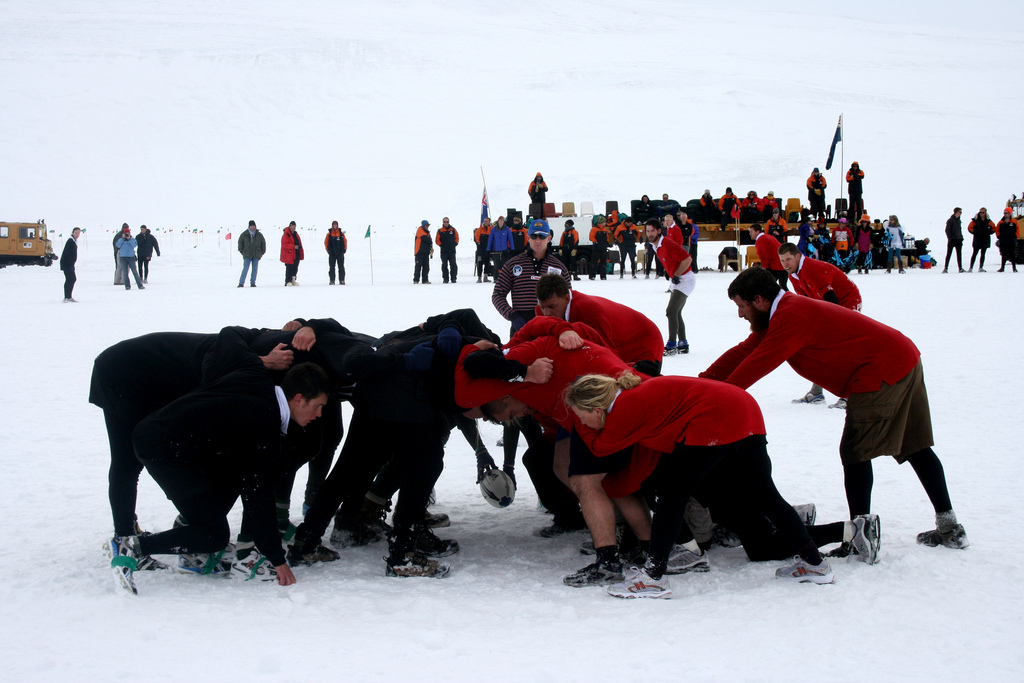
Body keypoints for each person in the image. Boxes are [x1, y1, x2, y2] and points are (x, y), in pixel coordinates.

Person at [700, 267, 968, 555]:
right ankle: (950, 527)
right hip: (899, 357)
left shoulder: (791, 317)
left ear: (760, 299)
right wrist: (703, 383)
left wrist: (718, 398)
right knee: (914, 447)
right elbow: (745, 351)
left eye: (742, 306)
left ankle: (860, 538)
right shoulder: (782, 313)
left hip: (879, 370)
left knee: (856, 452)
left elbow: (759, 363)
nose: (741, 314)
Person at [564, 372, 836, 598]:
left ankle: (652, 578)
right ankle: (815, 563)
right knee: (766, 496)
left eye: (581, 416)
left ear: (597, 409)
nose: (581, 423)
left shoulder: (624, 408)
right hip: (745, 409)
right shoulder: (637, 391)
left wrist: (582, 429)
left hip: (712, 418)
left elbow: (600, 447)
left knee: (672, 496)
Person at [106, 355, 329, 593]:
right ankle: (134, 546)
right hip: (164, 451)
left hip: (169, 437)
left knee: (234, 479)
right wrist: (277, 559)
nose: (319, 415)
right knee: (214, 535)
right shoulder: (264, 424)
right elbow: (258, 496)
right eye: (317, 406)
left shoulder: (257, 382)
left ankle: (191, 539)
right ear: (298, 399)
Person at [779, 241, 863, 407]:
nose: (785, 264)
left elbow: (832, 301)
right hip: (828, 305)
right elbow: (807, 301)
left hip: (846, 303)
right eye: (782, 260)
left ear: (797, 256)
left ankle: (850, 395)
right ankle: (817, 393)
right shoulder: (793, 274)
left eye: (788, 259)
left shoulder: (812, 269)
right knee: (818, 347)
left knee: (840, 349)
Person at [535, 273, 664, 375]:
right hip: (617, 339)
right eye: (543, 307)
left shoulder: (588, 313)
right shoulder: (541, 311)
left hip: (642, 342)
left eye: (552, 306)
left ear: (566, 298)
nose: (546, 313)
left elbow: (607, 354)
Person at [645, 218, 693, 355]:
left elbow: (687, 259)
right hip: (677, 279)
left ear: (659, 231)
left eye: (653, 231)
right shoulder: (655, 245)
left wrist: (677, 274)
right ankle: (683, 343)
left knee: (671, 311)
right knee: (676, 312)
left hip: (685, 279)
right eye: (648, 231)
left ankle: (671, 344)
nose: (650, 234)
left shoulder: (667, 243)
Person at [749, 223, 788, 290]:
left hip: (775, 266)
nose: (750, 233)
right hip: (783, 264)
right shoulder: (769, 236)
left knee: (767, 287)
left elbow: (763, 255)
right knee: (783, 286)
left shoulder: (760, 240)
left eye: (751, 231)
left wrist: (764, 267)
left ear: (757, 232)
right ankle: (789, 299)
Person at [237, 220, 267, 287]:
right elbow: (240, 244)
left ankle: (253, 283)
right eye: (251, 226)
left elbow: (263, 243)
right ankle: (241, 283)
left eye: (253, 225)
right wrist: (243, 252)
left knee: (255, 269)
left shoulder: (259, 235)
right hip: (247, 255)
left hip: (256, 255)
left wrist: (261, 252)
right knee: (245, 269)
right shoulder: (244, 234)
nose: (252, 227)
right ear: (249, 226)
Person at [115, 224, 144, 290]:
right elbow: (117, 245)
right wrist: (122, 238)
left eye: (127, 233)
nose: (126, 235)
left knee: (135, 272)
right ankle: (127, 286)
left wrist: (129, 239)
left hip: (131, 257)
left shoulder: (132, 239)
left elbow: (134, 244)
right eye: (125, 233)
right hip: (123, 258)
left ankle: (140, 285)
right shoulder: (121, 240)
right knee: (125, 273)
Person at [967, 208, 996, 272]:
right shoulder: (975, 221)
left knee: (983, 254)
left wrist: (989, 232)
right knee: (975, 253)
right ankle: (971, 267)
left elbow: (994, 228)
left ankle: (981, 267)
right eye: (980, 212)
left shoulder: (989, 221)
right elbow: (969, 227)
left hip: (985, 239)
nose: (981, 214)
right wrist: (975, 232)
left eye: (982, 212)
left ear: (985, 213)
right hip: (977, 239)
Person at [435, 216, 459, 284]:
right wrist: (442, 245)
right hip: (444, 251)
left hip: (452, 251)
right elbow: (437, 240)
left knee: (453, 265)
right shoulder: (440, 231)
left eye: (447, 222)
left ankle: (453, 278)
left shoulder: (453, 230)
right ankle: (445, 279)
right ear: (443, 222)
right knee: (444, 265)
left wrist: (455, 244)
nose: (446, 223)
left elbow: (457, 237)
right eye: (445, 222)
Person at [995, 207, 1020, 273]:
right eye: (1004, 213)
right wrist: (999, 236)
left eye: (1007, 213)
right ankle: (1002, 268)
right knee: (1004, 255)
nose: (1005, 214)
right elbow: (997, 230)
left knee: (1012, 254)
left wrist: (1015, 236)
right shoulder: (1001, 222)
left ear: (1010, 213)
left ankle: (1014, 268)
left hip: (1011, 241)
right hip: (1003, 241)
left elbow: (1018, 230)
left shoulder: (1014, 221)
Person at [60, 227, 81, 302]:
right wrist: (70, 264)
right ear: (73, 233)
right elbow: (67, 254)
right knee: (71, 279)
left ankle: (69, 296)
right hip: (67, 264)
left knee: (71, 279)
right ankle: (66, 297)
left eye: (78, 233)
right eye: (76, 233)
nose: (77, 234)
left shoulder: (74, 241)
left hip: (70, 264)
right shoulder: (70, 241)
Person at [280, 221, 304, 286]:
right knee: (289, 268)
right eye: (293, 226)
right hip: (289, 255)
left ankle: (293, 280)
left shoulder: (296, 234)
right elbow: (284, 245)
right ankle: (288, 281)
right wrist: (293, 247)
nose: (294, 227)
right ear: (290, 226)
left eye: (295, 226)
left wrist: (300, 248)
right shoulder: (286, 235)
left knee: (295, 267)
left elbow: (299, 243)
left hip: (296, 254)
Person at [324, 220, 347, 285]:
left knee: (341, 267)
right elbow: (326, 242)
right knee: (331, 267)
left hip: (340, 253)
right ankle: (332, 280)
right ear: (332, 226)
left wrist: (345, 249)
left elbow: (345, 241)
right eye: (333, 225)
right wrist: (328, 250)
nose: (335, 226)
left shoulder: (341, 234)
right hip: (332, 253)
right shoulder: (329, 234)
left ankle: (342, 280)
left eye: (336, 225)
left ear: (337, 225)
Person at [943, 207, 965, 274]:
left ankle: (960, 268)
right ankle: (946, 268)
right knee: (949, 254)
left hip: (959, 240)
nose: (961, 213)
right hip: (952, 240)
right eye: (960, 212)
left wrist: (961, 237)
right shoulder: (950, 220)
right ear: (956, 212)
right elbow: (947, 230)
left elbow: (959, 230)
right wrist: (950, 238)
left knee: (959, 255)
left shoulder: (958, 220)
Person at [588, 215, 611, 280]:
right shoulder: (594, 229)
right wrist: (595, 242)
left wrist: (607, 243)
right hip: (596, 248)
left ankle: (603, 276)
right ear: (601, 222)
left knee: (603, 262)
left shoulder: (604, 229)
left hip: (603, 248)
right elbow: (591, 237)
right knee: (594, 262)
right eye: (604, 222)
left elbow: (607, 237)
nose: (605, 223)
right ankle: (592, 276)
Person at [413, 220, 432, 284]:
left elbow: (430, 241)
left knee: (426, 267)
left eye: (428, 225)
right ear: (423, 225)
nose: (427, 226)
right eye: (426, 225)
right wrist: (430, 241)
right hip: (419, 252)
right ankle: (416, 280)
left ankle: (425, 280)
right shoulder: (420, 230)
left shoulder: (427, 232)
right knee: (418, 266)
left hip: (426, 252)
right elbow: (427, 239)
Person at [473, 218, 491, 283]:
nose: (486, 222)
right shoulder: (480, 229)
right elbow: (476, 237)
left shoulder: (491, 229)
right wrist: (479, 243)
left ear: (489, 222)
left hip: (488, 249)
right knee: (480, 263)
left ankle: (485, 277)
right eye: (485, 221)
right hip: (480, 250)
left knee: (487, 263)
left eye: (487, 221)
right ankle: (479, 277)